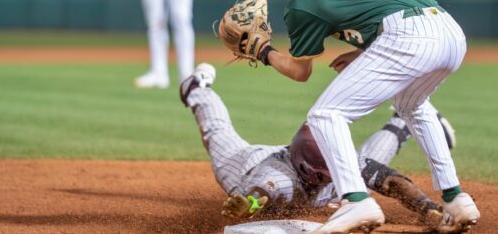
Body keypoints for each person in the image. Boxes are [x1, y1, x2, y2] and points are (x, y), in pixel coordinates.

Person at [254, 0, 480, 233]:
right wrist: (369, 49)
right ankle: (456, 199)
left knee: (326, 114)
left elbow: (300, 71)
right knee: (411, 105)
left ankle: (357, 201)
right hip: (448, 29)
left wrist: (263, 52)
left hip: (407, 38)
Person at [179, 63, 464, 233]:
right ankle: (196, 87)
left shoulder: (325, 156)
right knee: (217, 130)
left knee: (369, 162)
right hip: (243, 164)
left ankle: (403, 123)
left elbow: (390, 180)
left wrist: (429, 209)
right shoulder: (279, 177)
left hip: (300, 163)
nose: (339, 169)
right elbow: (261, 192)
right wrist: (248, 203)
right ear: (313, 172)